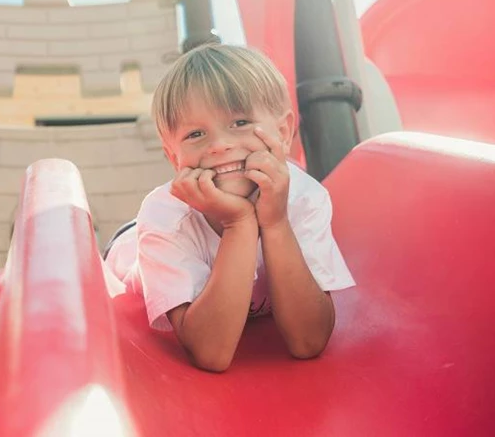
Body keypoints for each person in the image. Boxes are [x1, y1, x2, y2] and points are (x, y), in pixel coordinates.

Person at [105, 44, 354, 372]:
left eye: (239, 122)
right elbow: (211, 352)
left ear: (282, 132)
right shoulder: (165, 216)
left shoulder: (305, 198)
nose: (219, 145)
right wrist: (239, 223)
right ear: (173, 156)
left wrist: (275, 222)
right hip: (130, 246)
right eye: (195, 133)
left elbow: (309, 341)